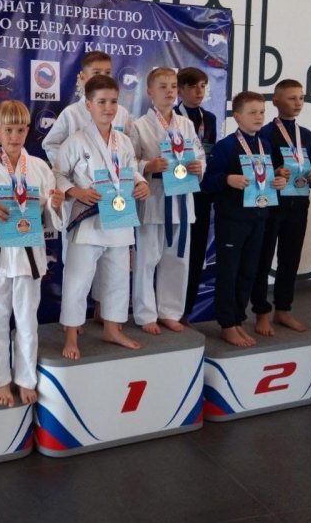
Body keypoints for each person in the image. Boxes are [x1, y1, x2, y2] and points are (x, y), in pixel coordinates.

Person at [0, 100, 65, 407]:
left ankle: (25, 378)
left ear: (28, 130)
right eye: (8, 130)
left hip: (29, 253)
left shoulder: (39, 167)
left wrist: (55, 204)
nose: (14, 136)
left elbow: (52, 215)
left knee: (26, 319)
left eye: (20, 130)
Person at [55, 75, 150, 360]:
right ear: (88, 105)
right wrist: (75, 191)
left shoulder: (124, 141)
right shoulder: (75, 141)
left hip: (119, 218)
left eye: (113, 102)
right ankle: (71, 335)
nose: (108, 108)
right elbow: (57, 174)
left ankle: (112, 328)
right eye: (101, 102)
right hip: (88, 220)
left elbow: (131, 170)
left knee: (118, 277)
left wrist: (141, 183)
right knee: (78, 280)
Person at [41, 51, 135, 325]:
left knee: (115, 264)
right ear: (82, 77)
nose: (102, 77)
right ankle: (74, 322)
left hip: (115, 200)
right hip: (82, 198)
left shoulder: (122, 113)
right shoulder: (72, 113)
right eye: (97, 73)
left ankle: (104, 313)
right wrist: (77, 171)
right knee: (78, 266)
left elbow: (127, 152)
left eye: (107, 72)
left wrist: (131, 180)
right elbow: (51, 144)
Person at [201, 91, 286, 347]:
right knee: (229, 271)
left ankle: (238, 318)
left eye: (262, 112)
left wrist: (277, 181)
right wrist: (228, 179)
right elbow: (206, 182)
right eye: (252, 112)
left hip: (258, 216)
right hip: (232, 219)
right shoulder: (226, 146)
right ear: (237, 117)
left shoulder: (265, 145)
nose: (259, 117)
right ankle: (227, 323)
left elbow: (263, 179)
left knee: (249, 270)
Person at [131, 67, 205, 334]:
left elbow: (199, 154)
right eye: (163, 86)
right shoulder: (138, 125)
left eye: (173, 86)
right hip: (153, 197)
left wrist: (198, 166)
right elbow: (129, 161)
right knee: (147, 258)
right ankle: (145, 314)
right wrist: (148, 165)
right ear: (150, 92)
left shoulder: (186, 124)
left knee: (178, 258)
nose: (170, 91)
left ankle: (170, 311)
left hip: (182, 197)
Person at [251, 80, 311, 336]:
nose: (298, 103)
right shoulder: (265, 133)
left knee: (290, 258)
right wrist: (275, 172)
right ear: (276, 101)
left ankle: (283, 309)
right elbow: (257, 171)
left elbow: (307, 167)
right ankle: (261, 312)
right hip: (272, 204)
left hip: (298, 202)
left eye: (301, 98)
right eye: (292, 98)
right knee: (263, 258)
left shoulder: (306, 134)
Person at [173, 67, 218, 325]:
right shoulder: (172, 117)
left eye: (202, 86)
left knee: (197, 252)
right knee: (174, 253)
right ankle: (168, 309)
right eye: (192, 87)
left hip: (201, 194)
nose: (199, 91)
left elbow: (208, 154)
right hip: (176, 191)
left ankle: (186, 311)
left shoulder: (208, 119)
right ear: (180, 90)